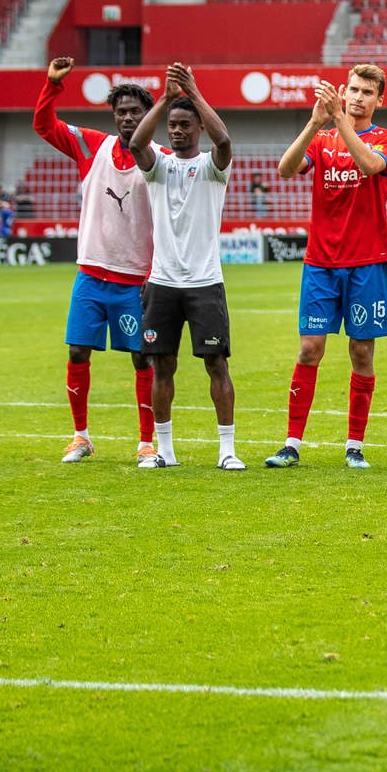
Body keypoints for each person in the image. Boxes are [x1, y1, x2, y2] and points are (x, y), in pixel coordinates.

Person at [265, 63, 387, 470]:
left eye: (366, 92)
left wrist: (339, 119)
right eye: (353, 90)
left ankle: (354, 445)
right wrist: (312, 123)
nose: (358, 97)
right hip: (321, 262)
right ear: (345, 90)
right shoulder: (321, 140)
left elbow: (370, 166)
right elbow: (286, 168)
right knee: (310, 348)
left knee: (361, 352)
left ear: (379, 100)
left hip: (367, 262)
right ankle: (291, 444)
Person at [35, 56, 158, 464]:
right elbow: (44, 125)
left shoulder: (159, 158)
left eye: (135, 112)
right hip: (90, 275)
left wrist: (154, 273)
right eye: (120, 112)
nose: (127, 118)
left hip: (133, 279)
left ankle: (146, 442)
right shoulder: (93, 145)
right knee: (77, 352)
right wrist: (53, 85)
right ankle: (81, 437)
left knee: (141, 358)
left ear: (148, 115)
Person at [129, 62, 241, 470]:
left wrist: (194, 94)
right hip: (162, 282)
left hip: (205, 282)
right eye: (172, 124)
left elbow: (224, 139)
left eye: (183, 124)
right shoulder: (158, 167)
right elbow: (137, 145)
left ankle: (227, 451)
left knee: (216, 364)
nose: (175, 130)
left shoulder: (213, 168)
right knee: (162, 364)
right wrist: (163, 98)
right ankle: (165, 451)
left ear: (197, 128)